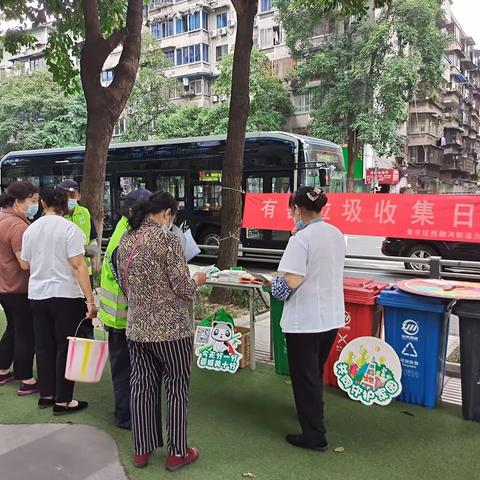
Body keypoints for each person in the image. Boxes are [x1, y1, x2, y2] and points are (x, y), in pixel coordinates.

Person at [117, 192, 206, 472]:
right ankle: (177, 452)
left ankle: (142, 450)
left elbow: (123, 282)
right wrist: (198, 280)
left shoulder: (126, 239)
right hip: (172, 331)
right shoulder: (167, 240)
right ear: (167, 213)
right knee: (177, 388)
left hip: (137, 329)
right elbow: (183, 289)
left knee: (141, 387)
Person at [274, 186, 345, 452]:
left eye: (292, 209)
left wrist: (273, 285)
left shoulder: (301, 239)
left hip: (305, 320)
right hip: (331, 316)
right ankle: (314, 417)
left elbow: (292, 279)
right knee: (313, 373)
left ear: (298, 209)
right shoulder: (335, 234)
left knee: (305, 378)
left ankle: (314, 436)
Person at [20, 185, 97, 415]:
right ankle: (63, 401)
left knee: (43, 346)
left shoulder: (30, 230)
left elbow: (25, 264)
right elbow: (78, 265)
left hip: (37, 294)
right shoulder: (70, 229)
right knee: (65, 346)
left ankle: (46, 394)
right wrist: (90, 301)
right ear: (65, 203)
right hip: (65, 295)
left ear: (42, 203)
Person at [99, 188, 151, 430]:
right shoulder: (127, 237)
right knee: (127, 370)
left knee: (125, 368)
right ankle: (127, 416)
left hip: (118, 316)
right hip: (124, 318)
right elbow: (130, 279)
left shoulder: (123, 228)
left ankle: (128, 412)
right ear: (134, 211)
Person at [0, 181, 39, 395]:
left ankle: (3, 369)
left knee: (13, 329)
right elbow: (24, 263)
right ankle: (26, 378)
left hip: (4, 287)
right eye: (32, 201)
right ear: (17, 201)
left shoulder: (2, 217)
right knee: (25, 333)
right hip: (18, 288)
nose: (35, 205)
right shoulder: (17, 226)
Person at [60, 179, 98, 338]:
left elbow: (93, 241)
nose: (70, 199)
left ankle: (86, 346)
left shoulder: (85, 213)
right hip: (64, 274)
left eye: (72, 195)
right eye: (66, 195)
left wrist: (93, 259)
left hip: (84, 272)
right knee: (67, 316)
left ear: (79, 195)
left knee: (86, 316)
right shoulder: (55, 215)